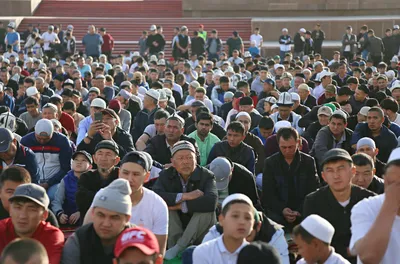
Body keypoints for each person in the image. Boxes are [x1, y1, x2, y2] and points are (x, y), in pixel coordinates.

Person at [303, 148, 375, 263]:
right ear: (324, 176)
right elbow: (311, 242)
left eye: (341, 168)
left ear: (352, 171)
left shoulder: (369, 200)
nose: (336, 176)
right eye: (330, 170)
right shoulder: (313, 202)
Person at [153, 140, 217, 260]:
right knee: (165, 207)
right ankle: (176, 245)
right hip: (177, 228)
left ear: (196, 160)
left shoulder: (207, 175)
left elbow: (211, 201)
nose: (186, 162)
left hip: (200, 228)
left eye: (189, 157)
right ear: (172, 161)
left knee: (207, 211)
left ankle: (180, 247)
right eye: (181, 158)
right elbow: (156, 195)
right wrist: (185, 196)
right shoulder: (166, 175)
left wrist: (179, 205)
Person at [61, 179, 133, 264]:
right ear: (92, 213)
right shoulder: (79, 240)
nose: (106, 224)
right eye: (101, 215)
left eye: (114, 217)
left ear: (127, 219)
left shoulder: (139, 240)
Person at [349, 148, 400, 264]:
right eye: (394, 183)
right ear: (386, 180)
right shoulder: (366, 208)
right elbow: (368, 256)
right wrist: (390, 205)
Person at [263, 127, 319, 227]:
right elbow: (268, 193)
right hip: (278, 212)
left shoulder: (308, 161)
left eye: (291, 147)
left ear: (298, 143)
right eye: (283, 147)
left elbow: (313, 189)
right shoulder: (270, 163)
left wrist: (299, 211)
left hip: (303, 210)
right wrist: (282, 209)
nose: (287, 150)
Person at [0, 184, 64, 263]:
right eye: (18, 207)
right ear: (10, 210)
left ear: (44, 215)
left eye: (31, 209)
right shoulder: (1, 230)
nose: (23, 215)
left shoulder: (51, 236)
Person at [192, 194, 254, 264]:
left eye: (247, 218)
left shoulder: (258, 256)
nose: (242, 222)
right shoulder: (203, 251)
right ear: (221, 219)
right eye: (235, 216)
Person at [21, 119, 73, 200]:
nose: (42, 141)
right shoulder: (26, 141)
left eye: (46, 139)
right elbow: (24, 165)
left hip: (56, 181)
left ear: (52, 133)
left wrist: (49, 183)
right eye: (39, 138)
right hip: (33, 180)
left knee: (53, 196)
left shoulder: (62, 141)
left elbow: (66, 167)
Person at [75, 140, 120, 219]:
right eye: (100, 153)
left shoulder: (121, 176)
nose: (103, 158)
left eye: (108, 154)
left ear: (116, 160)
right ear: (94, 158)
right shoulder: (86, 177)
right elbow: (81, 201)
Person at [51, 150, 92, 226]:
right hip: (68, 220)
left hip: (87, 219)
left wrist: (81, 212)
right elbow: (57, 201)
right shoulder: (65, 179)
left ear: (90, 166)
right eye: (76, 160)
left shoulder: (93, 180)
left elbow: (95, 204)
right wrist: (60, 214)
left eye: (83, 160)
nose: (79, 162)